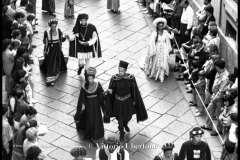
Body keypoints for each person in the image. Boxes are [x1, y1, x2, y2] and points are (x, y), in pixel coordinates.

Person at [104, 60, 148, 142]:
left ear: (125, 71)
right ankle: (121, 132)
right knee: (120, 118)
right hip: (118, 102)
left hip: (128, 101)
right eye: (119, 70)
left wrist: (134, 100)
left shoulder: (130, 78)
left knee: (129, 116)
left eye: (122, 71)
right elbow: (111, 89)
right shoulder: (114, 78)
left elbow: (134, 89)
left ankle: (125, 124)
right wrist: (109, 91)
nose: (120, 72)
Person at [74, 67, 104, 141]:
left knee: (97, 119)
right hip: (88, 106)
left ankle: (97, 133)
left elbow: (101, 95)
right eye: (89, 78)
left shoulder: (97, 85)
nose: (90, 80)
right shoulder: (84, 87)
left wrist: (105, 95)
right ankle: (89, 133)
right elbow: (81, 99)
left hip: (96, 106)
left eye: (91, 78)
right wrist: (82, 106)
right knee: (89, 120)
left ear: (94, 78)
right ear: (87, 78)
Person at [201, 58, 229, 136]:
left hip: (219, 98)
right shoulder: (218, 72)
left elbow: (221, 91)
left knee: (218, 115)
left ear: (217, 66)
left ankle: (218, 130)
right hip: (214, 95)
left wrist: (214, 99)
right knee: (209, 109)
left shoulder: (225, 77)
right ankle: (208, 126)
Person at [144, 17, 174, 82]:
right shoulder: (154, 33)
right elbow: (151, 43)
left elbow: (171, 37)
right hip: (157, 48)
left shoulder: (165, 32)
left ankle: (162, 75)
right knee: (157, 61)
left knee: (164, 60)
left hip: (164, 48)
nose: (161, 27)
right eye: (160, 26)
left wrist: (171, 30)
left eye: (162, 26)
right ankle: (156, 73)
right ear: (157, 26)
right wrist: (153, 50)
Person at [40, 19, 67, 86]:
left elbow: (62, 39)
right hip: (51, 49)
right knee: (52, 62)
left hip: (57, 48)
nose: (54, 28)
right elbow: (46, 43)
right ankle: (50, 79)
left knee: (58, 60)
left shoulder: (58, 30)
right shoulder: (47, 32)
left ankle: (58, 70)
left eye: (55, 26)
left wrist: (65, 37)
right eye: (52, 27)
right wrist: (45, 50)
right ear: (50, 26)